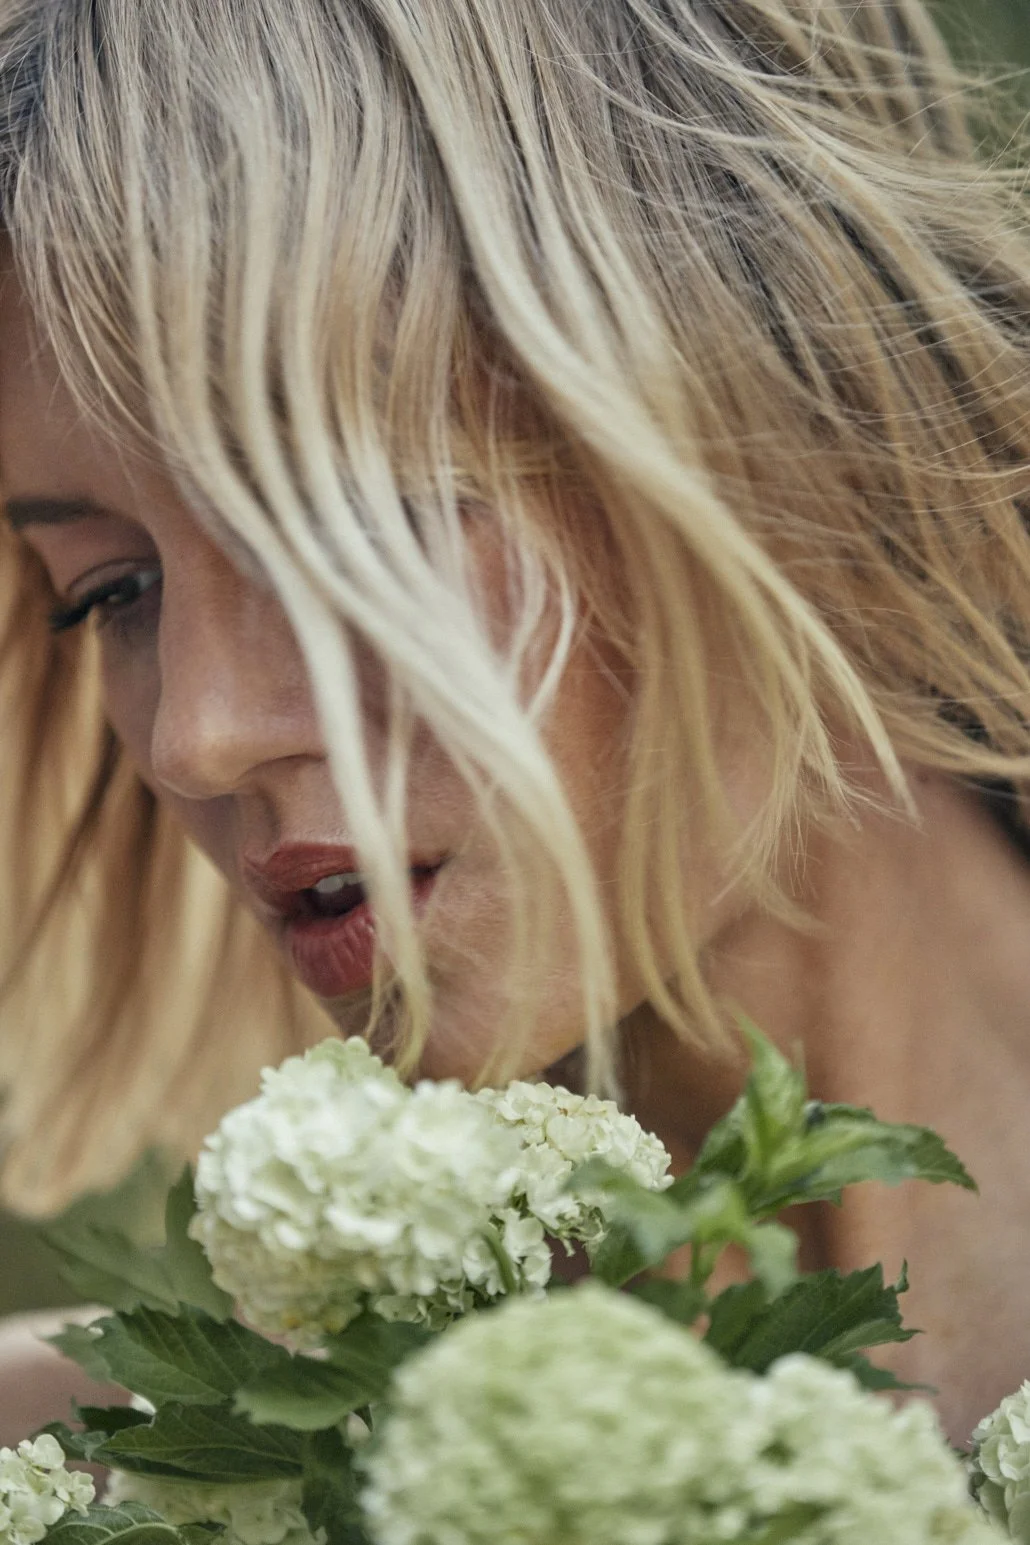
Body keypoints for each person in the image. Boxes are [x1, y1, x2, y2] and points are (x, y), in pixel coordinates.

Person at [1, 0, 1029, 1445]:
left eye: (345, 524)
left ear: (784, 403)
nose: (197, 736)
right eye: (109, 591)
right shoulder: (111, 1478)